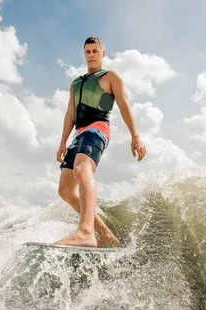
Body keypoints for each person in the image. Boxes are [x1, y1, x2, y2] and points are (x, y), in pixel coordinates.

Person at [55, 36, 146, 248]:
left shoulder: (110, 77)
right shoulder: (76, 83)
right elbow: (70, 114)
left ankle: (85, 232)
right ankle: (105, 235)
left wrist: (135, 136)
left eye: (95, 51)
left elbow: (124, 105)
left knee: (82, 168)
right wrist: (62, 142)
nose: (91, 55)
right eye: (88, 52)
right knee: (65, 190)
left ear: (102, 53)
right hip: (78, 134)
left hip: (98, 128)